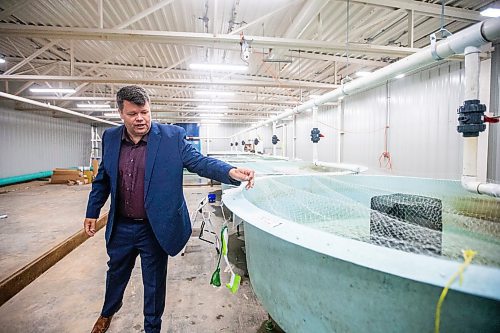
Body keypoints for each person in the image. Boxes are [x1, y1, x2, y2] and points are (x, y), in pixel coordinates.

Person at [84, 85, 255, 333]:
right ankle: (107, 312)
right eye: (133, 114)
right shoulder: (110, 138)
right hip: (121, 225)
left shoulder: (171, 137)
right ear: (121, 113)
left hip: (155, 227)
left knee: (154, 283)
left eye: (145, 112)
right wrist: (92, 211)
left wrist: (230, 172)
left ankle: (152, 327)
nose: (140, 118)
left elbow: (200, 162)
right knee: (116, 273)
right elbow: (103, 179)